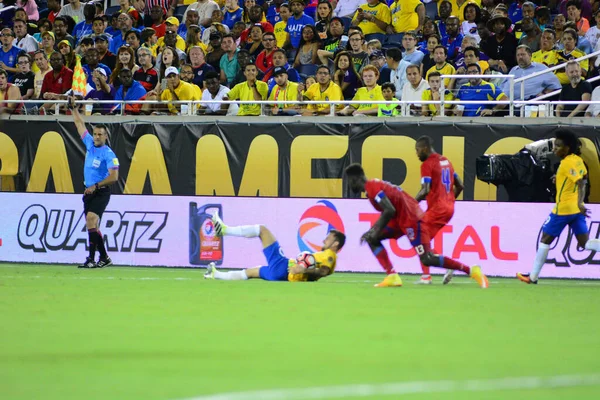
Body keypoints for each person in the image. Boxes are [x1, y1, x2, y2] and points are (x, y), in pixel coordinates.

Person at [344, 163, 489, 288]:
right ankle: (392, 276)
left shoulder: (372, 188)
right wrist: (373, 231)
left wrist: (374, 230)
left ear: (355, 179)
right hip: (401, 218)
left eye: (349, 181)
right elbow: (391, 209)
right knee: (372, 238)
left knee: (427, 258)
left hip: (411, 220)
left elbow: (389, 209)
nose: (349, 185)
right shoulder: (373, 186)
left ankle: (471, 270)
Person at [517, 130, 600, 284]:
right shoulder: (577, 160)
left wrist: (580, 202)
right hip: (575, 211)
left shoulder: (567, 162)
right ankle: (533, 276)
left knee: (545, 239)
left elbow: (580, 182)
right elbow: (583, 177)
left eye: (558, 146)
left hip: (563, 209)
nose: (554, 148)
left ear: (567, 148)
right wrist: (560, 178)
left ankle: (533, 277)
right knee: (585, 243)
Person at [204, 214, 346, 282]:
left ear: (335, 244)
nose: (324, 240)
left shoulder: (329, 255)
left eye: (328, 239)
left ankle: (224, 230)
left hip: (283, 268)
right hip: (282, 276)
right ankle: (216, 275)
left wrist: (303, 269)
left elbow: (323, 271)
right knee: (251, 272)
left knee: (262, 230)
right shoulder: (326, 256)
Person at [68, 95, 119, 269]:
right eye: (95, 134)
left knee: (91, 219)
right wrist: (74, 109)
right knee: (92, 224)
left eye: (100, 135)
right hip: (87, 191)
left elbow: (114, 177)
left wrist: (95, 186)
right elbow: (79, 125)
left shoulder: (109, 154)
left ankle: (91, 259)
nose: (96, 137)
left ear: (105, 137)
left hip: (100, 192)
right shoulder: (89, 144)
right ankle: (104, 257)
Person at [413, 135, 464, 284]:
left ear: (424, 148)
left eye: (417, 150)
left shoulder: (427, 164)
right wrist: (450, 200)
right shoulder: (446, 161)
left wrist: (410, 204)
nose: (416, 154)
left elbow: (425, 190)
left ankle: (426, 277)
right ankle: (446, 265)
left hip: (438, 208)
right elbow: (460, 185)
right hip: (449, 207)